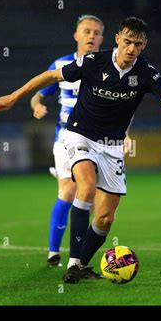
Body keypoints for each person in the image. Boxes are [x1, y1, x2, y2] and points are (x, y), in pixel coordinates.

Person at [0, 17, 161, 283]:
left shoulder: (147, 73)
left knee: (104, 218)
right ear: (117, 39)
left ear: (144, 45)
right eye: (127, 42)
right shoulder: (94, 62)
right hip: (80, 134)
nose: (131, 49)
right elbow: (52, 75)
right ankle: (71, 261)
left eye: (137, 44)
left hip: (112, 146)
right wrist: (14, 96)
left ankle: (81, 265)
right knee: (85, 186)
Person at [29, 15, 106, 267]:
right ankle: (53, 253)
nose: (91, 36)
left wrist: (124, 133)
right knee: (69, 189)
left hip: (97, 139)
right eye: (87, 31)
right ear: (76, 35)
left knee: (91, 197)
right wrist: (37, 104)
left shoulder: (108, 66)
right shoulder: (62, 64)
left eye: (96, 32)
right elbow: (39, 94)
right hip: (65, 137)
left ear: (102, 38)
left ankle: (79, 256)